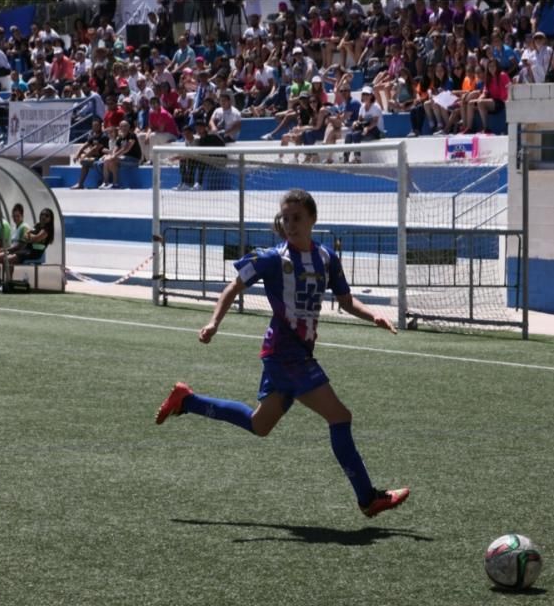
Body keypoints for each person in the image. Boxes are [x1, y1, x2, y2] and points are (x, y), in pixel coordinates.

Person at [154, 188, 409, 519]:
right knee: (340, 416)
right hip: (285, 355)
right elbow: (233, 288)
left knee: (260, 425)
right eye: (285, 218)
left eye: (296, 218)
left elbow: (346, 301)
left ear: (312, 219)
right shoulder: (273, 258)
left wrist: (372, 314)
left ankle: (187, 401)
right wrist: (214, 322)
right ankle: (368, 498)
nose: (289, 224)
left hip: (292, 354)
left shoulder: (328, 258)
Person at [99, 120, 141, 189]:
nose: (124, 128)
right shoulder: (120, 138)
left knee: (112, 160)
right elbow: (116, 148)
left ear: (129, 127)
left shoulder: (132, 136)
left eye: (125, 126)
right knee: (107, 160)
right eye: (122, 126)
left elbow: (126, 148)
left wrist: (114, 156)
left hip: (134, 160)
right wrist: (112, 155)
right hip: (124, 158)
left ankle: (115, 183)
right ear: (120, 128)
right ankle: (106, 182)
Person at [70, 118, 109, 189]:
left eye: (96, 125)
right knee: (85, 163)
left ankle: (105, 182)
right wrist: (77, 155)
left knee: (86, 161)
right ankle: (80, 184)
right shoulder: (93, 136)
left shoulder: (104, 136)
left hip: (103, 158)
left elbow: (95, 149)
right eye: (93, 126)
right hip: (95, 158)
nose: (95, 127)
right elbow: (85, 145)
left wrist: (84, 156)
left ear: (100, 126)